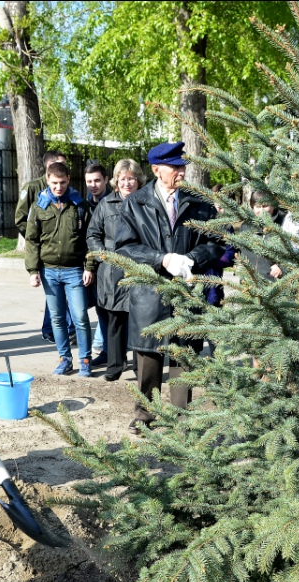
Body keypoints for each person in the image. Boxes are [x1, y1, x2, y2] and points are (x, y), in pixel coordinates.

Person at [114, 141, 224, 434]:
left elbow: (216, 243)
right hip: (150, 295)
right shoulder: (135, 203)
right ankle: (144, 416)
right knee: (148, 358)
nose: (181, 172)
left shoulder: (198, 202)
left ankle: (182, 418)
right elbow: (124, 247)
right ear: (156, 170)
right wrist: (161, 259)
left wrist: (191, 258)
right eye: (174, 167)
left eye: (182, 166)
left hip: (187, 294)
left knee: (184, 357)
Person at [25, 161, 94, 376]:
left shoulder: (79, 205)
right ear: (47, 180)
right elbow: (32, 240)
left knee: (80, 316)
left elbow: (90, 239)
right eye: (54, 183)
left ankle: (85, 360)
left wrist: (89, 267)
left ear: (68, 180)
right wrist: (33, 271)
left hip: (74, 270)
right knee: (57, 318)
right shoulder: (39, 206)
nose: (58, 187)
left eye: (62, 183)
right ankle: (65, 359)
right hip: (49, 271)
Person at [87, 158, 144, 381]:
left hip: (140, 266)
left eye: (131, 178)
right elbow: (93, 234)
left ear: (138, 180)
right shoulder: (106, 204)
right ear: (116, 181)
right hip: (111, 269)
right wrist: (101, 254)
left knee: (141, 321)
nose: (127, 183)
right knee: (115, 321)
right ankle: (115, 365)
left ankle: (142, 367)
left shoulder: (147, 203)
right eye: (123, 179)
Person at [15, 150, 76, 345]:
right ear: (48, 168)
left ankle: (65, 328)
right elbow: (21, 218)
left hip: (63, 254)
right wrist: (42, 240)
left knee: (62, 294)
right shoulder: (33, 187)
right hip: (44, 251)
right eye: (58, 165)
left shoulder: (65, 189)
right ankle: (51, 330)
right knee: (55, 295)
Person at [84, 160, 111, 365]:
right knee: (100, 308)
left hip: (109, 264)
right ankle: (106, 350)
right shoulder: (85, 204)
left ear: (106, 180)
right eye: (89, 181)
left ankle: (111, 351)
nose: (93, 185)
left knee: (112, 311)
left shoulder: (112, 202)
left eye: (97, 180)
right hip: (92, 265)